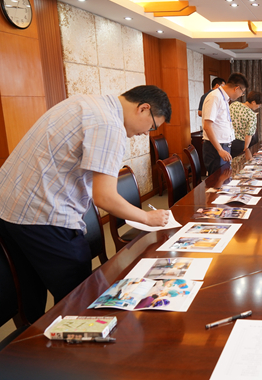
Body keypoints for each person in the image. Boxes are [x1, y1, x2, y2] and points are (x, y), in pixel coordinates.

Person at [0, 85, 172, 323]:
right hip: (44, 214)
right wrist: (147, 218)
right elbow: (105, 197)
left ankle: (35, 338)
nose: (146, 134)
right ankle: (74, 338)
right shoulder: (110, 125)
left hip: (9, 207)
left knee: (30, 290)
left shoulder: (84, 102)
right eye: (151, 126)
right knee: (81, 293)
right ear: (143, 108)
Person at [202, 72, 249, 175]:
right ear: (237, 88)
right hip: (216, 148)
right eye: (242, 92)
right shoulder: (215, 97)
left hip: (223, 146)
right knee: (217, 181)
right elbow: (207, 126)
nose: (241, 95)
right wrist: (220, 150)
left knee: (225, 179)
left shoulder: (224, 98)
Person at [230, 91, 262, 159]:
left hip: (227, 141)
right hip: (240, 143)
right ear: (253, 102)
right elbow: (248, 134)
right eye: (259, 105)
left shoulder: (234, 105)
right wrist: (246, 148)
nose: (259, 107)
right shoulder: (251, 115)